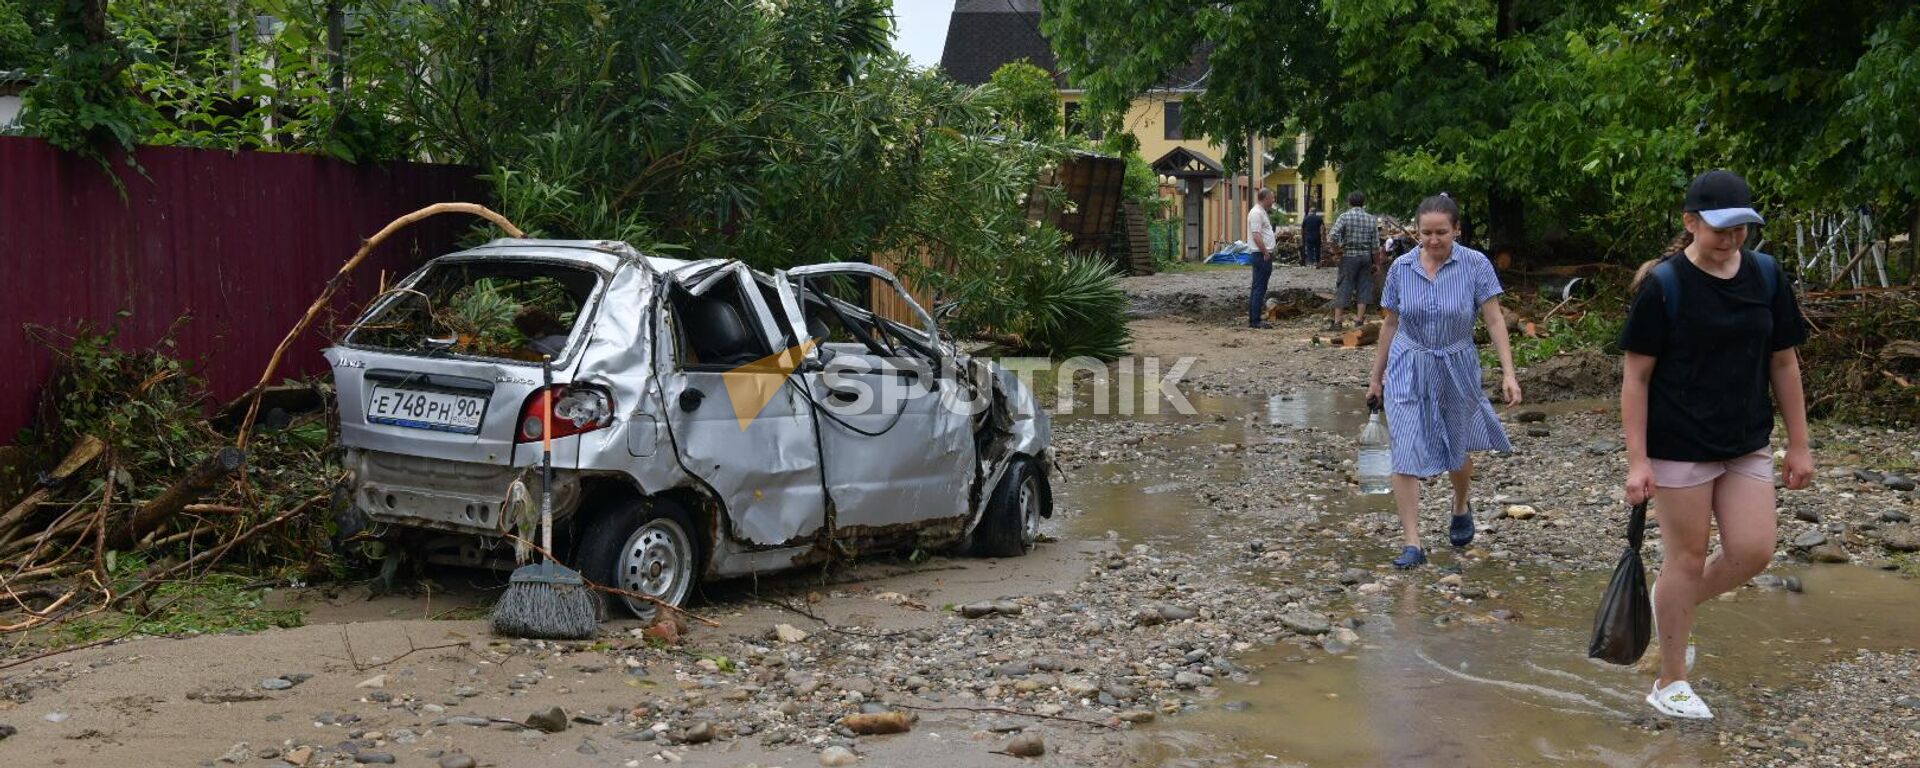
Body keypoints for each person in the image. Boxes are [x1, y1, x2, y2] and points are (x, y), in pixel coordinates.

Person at [1620, 169, 1813, 721]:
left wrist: (1799, 444)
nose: (1731, 240)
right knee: (1685, 557)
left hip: (1747, 439)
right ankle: (1670, 679)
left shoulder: (1768, 277)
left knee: (1753, 550)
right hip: (1680, 444)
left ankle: (1670, 610)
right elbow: (1636, 378)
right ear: (1691, 223)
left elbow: (1784, 361)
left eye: (1741, 229)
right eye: (1720, 229)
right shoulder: (1665, 286)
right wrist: (1637, 461)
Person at [1366, 194, 1520, 569]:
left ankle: (1460, 502)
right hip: (1408, 363)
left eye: (1441, 233)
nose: (1433, 241)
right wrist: (1375, 378)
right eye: (1425, 233)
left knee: (1457, 446)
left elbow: (1495, 320)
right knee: (1405, 447)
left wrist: (1509, 374)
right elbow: (1390, 323)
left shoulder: (1475, 265)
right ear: (1416, 232)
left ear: (1456, 230)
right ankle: (1413, 544)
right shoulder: (1402, 269)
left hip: (1457, 362)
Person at [1329, 192, 1380, 329]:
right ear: (1363, 203)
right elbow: (1375, 245)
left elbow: (1332, 236)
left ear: (1349, 202)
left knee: (1344, 286)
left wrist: (1336, 251)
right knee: (1364, 287)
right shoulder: (1371, 219)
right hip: (1365, 257)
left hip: (1348, 256)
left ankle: (1338, 321)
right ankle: (1359, 320)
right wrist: (1376, 263)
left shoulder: (1345, 217)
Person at [1246, 188, 1277, 329]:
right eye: (1272, 198)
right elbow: (1256, 235)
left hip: (1262, 253)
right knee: (1259, 287)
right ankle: (1255, 320)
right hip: (1260, 254)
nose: (1273, 200)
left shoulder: (1262, 212)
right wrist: (1265, 252)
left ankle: (1254, 318)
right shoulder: (1256, 213)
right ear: (1265, 198)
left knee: (1258, 286)